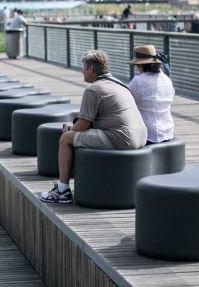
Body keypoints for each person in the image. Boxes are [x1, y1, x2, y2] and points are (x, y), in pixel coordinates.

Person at [40, 50, 147, 204]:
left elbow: (82, 126)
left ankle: (63, 190)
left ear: (91, 69)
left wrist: (70, 129)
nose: (82, 71)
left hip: (122, 138)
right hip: (141, 136)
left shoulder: (93, 90)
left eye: (83, 68)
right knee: (75, 134)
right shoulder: (119, 84)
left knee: (66, 139)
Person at [127, 45, 174, 145]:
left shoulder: (138, 81)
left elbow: (125, 101)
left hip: (147, 135)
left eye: (136, 64)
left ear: (141, 65)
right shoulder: (166, 79)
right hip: (168, 131)